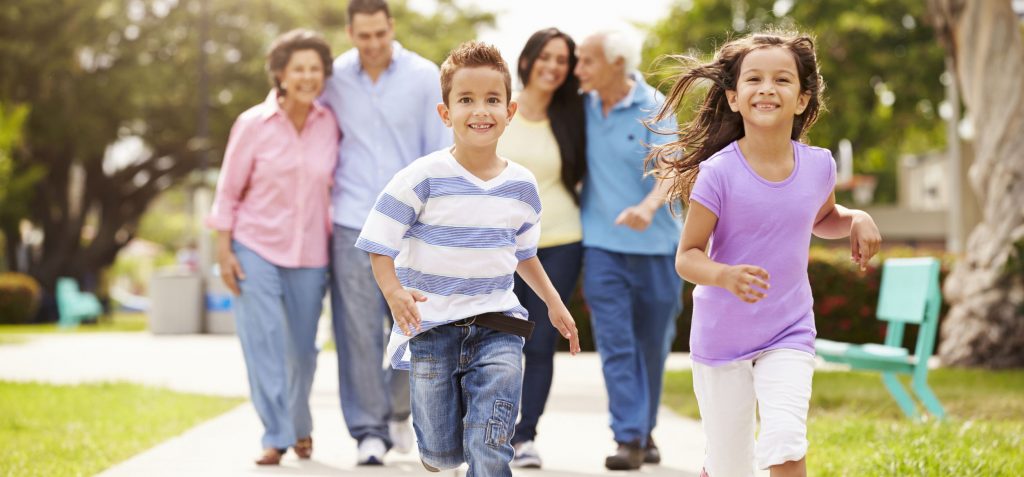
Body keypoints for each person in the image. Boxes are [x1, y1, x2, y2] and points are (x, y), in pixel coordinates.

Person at [649, 31, 882, 477]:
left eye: (782, 79)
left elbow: (822, 216)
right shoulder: (718, 174)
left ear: (801, 99)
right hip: (722, 339)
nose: (768, 88)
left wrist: (854, 218)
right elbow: (688, 255)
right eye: (754, 79)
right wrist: (724, 276)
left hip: (789, 329)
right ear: (734, 98)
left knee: (786, 441)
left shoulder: (819, 165)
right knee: (729, 466)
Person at [356, 41, 582, 477]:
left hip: (498, 325)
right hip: (432, 328)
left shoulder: (521, 185)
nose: (481, 110)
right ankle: (442, 451)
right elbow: (378, 242)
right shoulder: (421, 178)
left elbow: (524, 255)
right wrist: (394, 292)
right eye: (467, 100)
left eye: (493, 100)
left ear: (510, 111)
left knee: (490, 443)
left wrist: (555, 304)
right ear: (446, 113)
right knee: (442, 455)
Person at [319, 0, 450, 465]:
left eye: (380, 34)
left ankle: (398, 410)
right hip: (350, 220)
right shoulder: (332, 79)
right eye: (363, 36)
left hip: (408, 226)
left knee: (410, 322)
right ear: (351, 33)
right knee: (355, 331)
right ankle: (367, 432)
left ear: (391, 27)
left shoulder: (423, 75)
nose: (373, 45)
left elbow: (439, 150)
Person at [206, 29, 337, 466]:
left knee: (302, 349)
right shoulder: (251, 125)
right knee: (263, 342)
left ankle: (299, 423)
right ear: (280, 74)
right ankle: (275, 435)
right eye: (298, 68)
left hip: (311, 253)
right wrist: (223, 252)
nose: (306, 76)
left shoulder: (329, 124)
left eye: (315, 69)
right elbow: (227, 192)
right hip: (254, 247)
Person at [574, 28, 682, 470]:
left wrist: (648, 206)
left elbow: (672, 170)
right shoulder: (578, 107)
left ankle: (644, 428)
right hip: (601, 246)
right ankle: (629, 437)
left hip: (657, 248)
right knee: (617, 344)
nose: (577, 70)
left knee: (652, 346)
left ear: (617, 63)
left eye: (587, 61)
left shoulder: (655, 107)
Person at [494, 27, 586, 470]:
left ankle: (525, 435)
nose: (553, 66)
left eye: (562, 60)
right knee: (496, 337)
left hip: (560, 241)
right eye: (545, 57)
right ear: (527, 59)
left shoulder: (573, 115)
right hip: (499, 246)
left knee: (542, 339)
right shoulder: (501, 110)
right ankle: (490, 429)